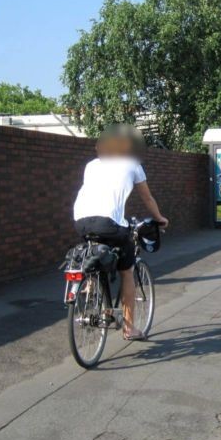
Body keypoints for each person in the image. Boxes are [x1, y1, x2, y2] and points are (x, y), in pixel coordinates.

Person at [73, 124, 168, 340]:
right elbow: (147, 198)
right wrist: (160, 218)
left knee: (100, 251)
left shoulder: (91, 165)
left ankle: (91, 281)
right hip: (108, 223)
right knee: (127, 271)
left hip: (81, 221)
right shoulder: (133, 164)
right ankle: (129, 329)